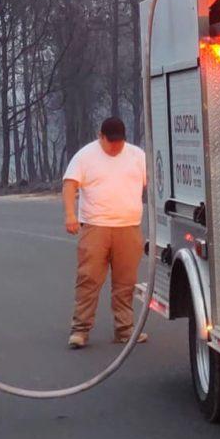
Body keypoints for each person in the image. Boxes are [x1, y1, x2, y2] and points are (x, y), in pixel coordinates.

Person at [62, 115, 150, 349]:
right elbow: (70, 184)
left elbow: (153, 183)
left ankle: (125, 329)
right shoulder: (85, 156)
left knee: (125, 282)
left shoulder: (137, 156)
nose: (114, 146)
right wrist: (70, 215)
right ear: (100, 137)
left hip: (128, 227)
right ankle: (80, 329)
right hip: (95, 226)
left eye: (118, 142)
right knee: (89, 278)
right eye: (110, 141)